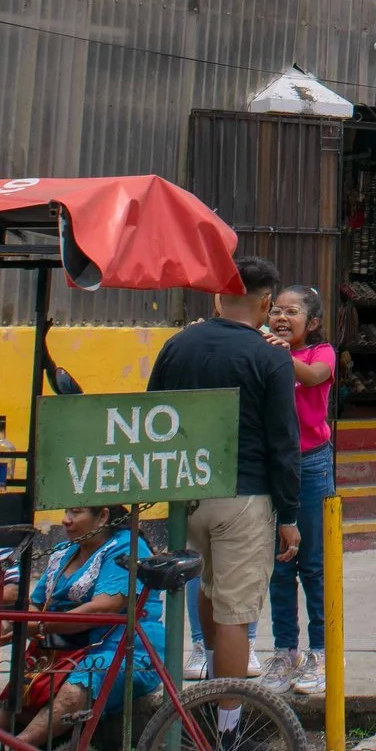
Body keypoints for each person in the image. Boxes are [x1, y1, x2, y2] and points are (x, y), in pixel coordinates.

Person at [147, 256, 301, 685]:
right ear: (266, 303)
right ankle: (228, 725)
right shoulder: (270, 357)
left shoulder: (177, 345)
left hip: (188, 495)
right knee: (234, 611)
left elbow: (152, 413)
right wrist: (288, 516)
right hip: (244, 497)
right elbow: (283, 444)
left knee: (209, 591)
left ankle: (209, 687)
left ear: (217, 297)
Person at [3, 504, 167, 751]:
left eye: (75, 513)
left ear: (102, 516)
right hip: (61, 652)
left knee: (77, 686)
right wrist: (24, 622)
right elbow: (37, 603)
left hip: (124, 651)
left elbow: (102, 609)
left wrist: (38, 626)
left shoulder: (126, 547)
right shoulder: (64, 551)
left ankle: (17, 748)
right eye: (66, 512)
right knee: (9, 700)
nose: (65, 520)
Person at [261, 285, 336, 697]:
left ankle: (321, 653)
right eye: (275, 311)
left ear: (314, 323)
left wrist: (275, 352)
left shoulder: (318, 355)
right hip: (273, 466)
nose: (282, 318)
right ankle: (284, 653)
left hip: (310, 464)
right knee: (279, 567)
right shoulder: (266, 350)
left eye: (292, 312)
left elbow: (313, 377)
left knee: (313, 563)